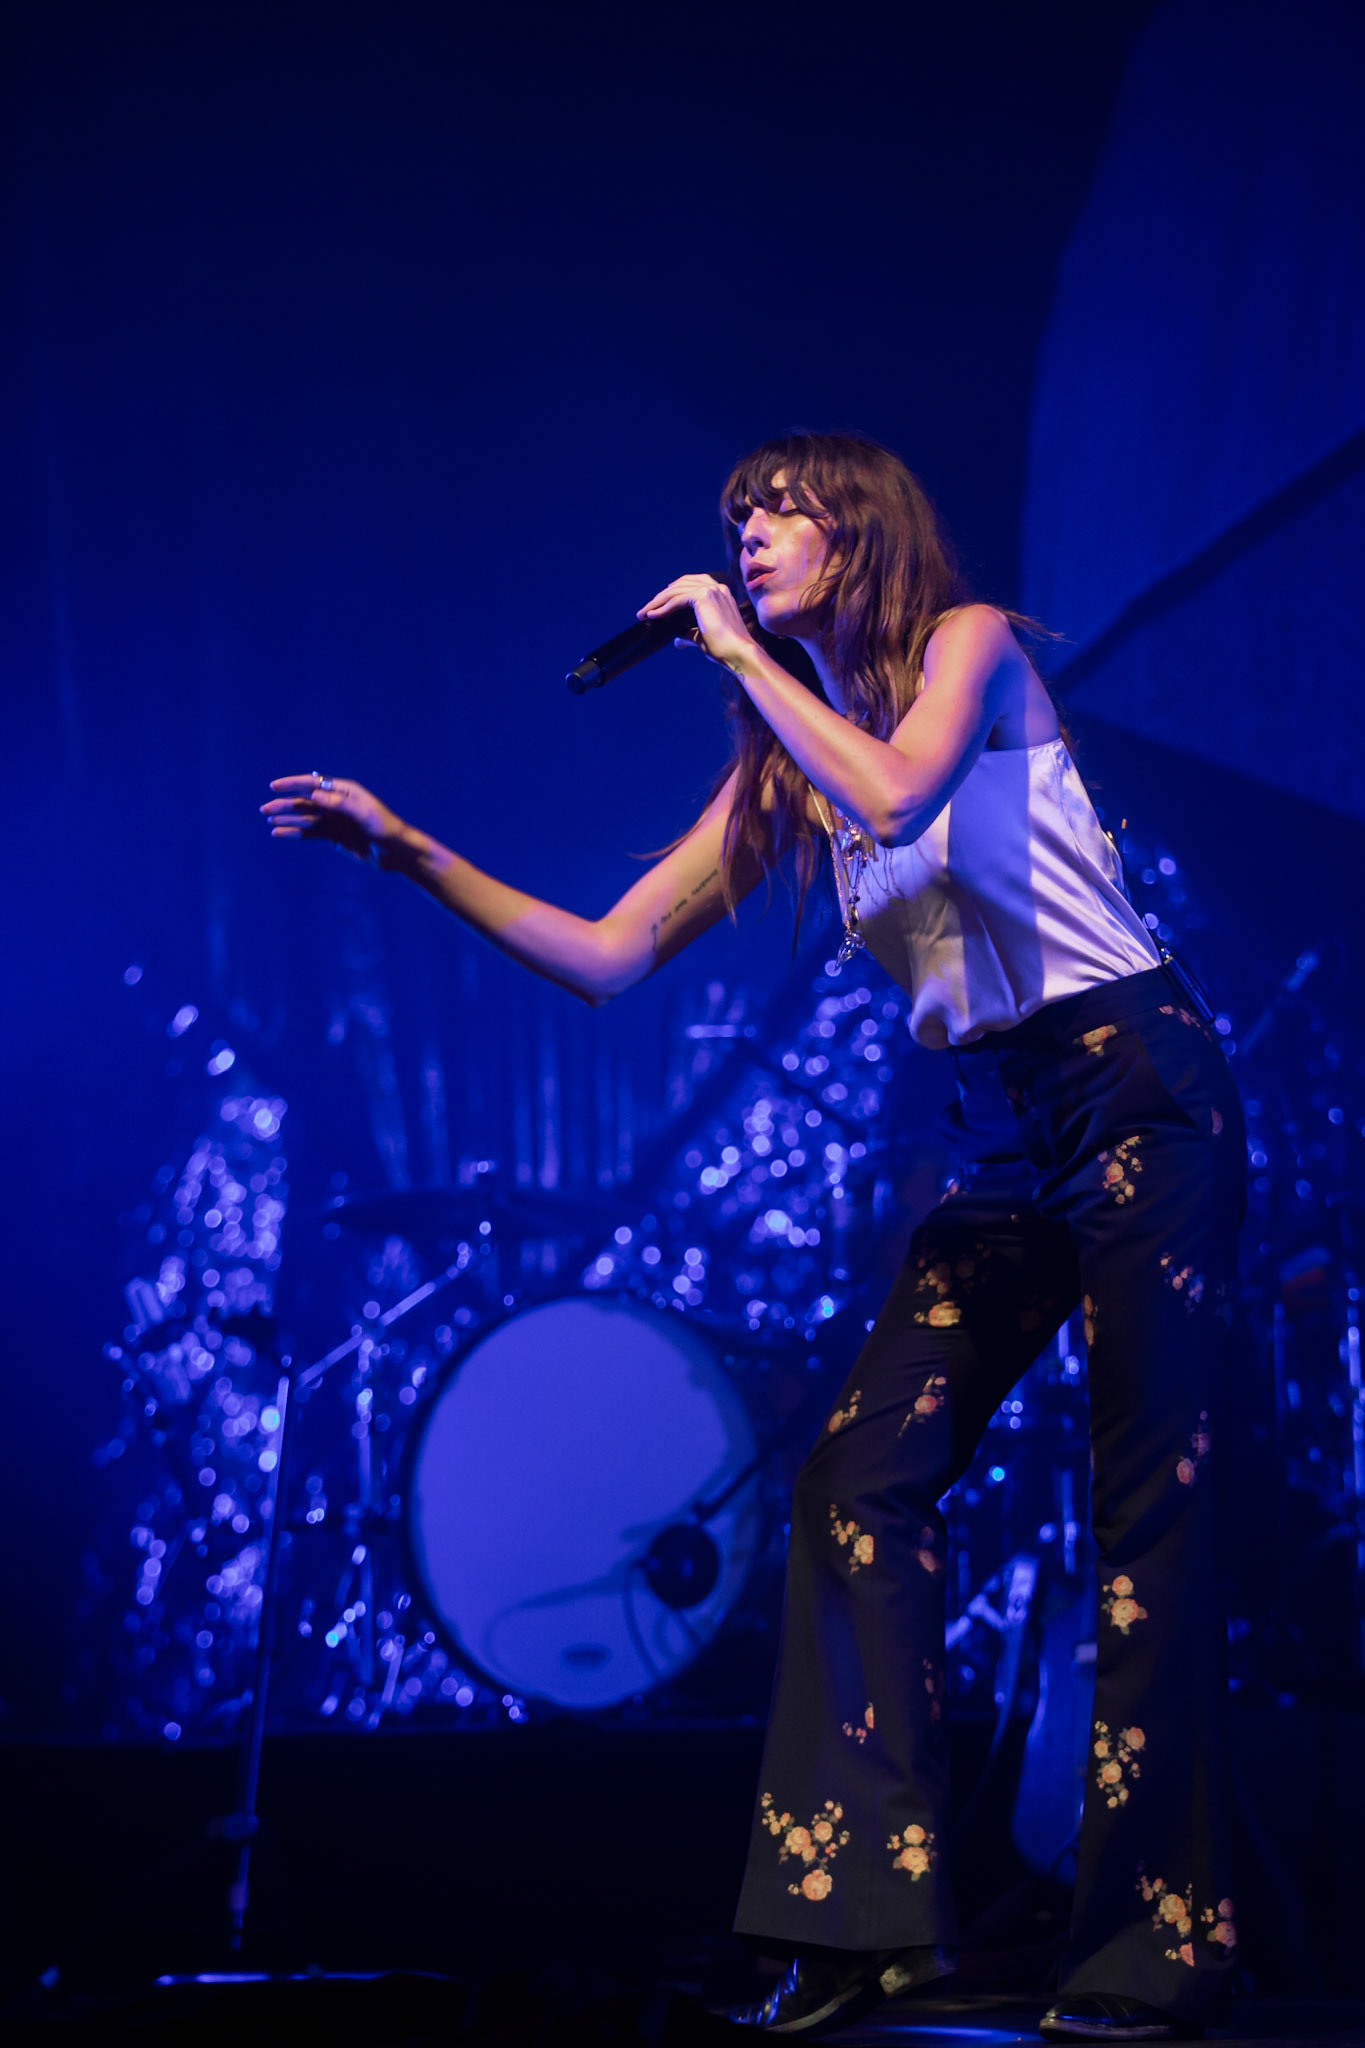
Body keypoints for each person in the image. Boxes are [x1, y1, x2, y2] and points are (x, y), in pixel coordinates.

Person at [263, 432, 1244, 2042]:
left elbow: (904, 785)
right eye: (738, 519)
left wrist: (729, 644)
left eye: (780, 510)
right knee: (852, 1487)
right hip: (995, 1122)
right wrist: (412, 853)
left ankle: (1156, 1948)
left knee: (1144, 1507)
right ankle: (864, 1929)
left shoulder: (967, 647)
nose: (752, 535)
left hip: (1136, 1084)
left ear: (860, 530)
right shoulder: (785, 759)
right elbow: (605, 954)